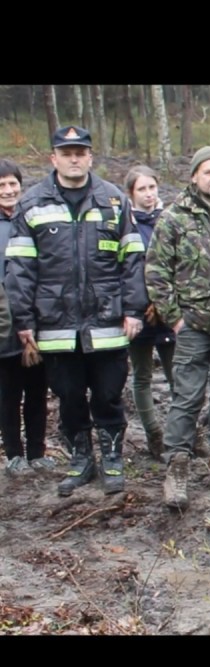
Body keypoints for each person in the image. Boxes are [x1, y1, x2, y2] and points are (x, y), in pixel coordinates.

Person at [4, 126, 146, 496]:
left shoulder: (114, 200)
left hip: (107, 322)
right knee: (68, 397)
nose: (73, 159)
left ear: (90, 157)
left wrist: (133, 309)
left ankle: (113, 460)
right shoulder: (32, 204)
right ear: (53, 158)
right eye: (66, 153)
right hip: (56, 327)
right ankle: (81, 460)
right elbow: (20, 269)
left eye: (80, 152)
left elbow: (132, 260)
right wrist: (24, 321)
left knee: (109, 395)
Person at [147, 146, 210, 510]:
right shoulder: (174, 217)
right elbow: (157, 271)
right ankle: (177, 467)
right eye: (209, 173)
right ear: (194, 177)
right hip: (193, 324)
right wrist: (175, 317)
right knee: (186, 397)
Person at [0, 160, 54, 477]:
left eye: (12, 184)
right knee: (9, 392)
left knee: (38, 390)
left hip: (40, 319)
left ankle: (37, 450)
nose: (8, 191)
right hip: (5, 325)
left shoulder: (33, 219)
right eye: (2, 185)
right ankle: (13, 454)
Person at [124, 165, 176, 460]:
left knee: (177, 375)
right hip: (138, 312)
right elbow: (127, 269)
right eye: (141, 189)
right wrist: (140, 304)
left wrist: (164, 301)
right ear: (131, 193)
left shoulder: (167, 219)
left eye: (152, 188)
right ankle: (154, 434)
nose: (148, 194)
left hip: (168, 310)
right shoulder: (126, 223)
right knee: (142, 374)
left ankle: (185, 432)